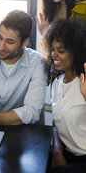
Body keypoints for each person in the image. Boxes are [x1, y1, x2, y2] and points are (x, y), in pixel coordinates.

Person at [42, 18, 86, 172]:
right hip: (67, 153)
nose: (54, 54)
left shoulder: (84, 82)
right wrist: (57, 151)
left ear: (76, 52)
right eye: (53, 49)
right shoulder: (56, 83)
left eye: (61, 51)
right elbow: (56, 122)